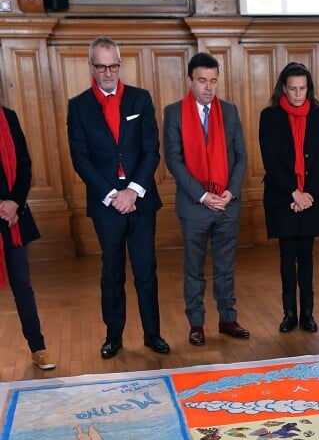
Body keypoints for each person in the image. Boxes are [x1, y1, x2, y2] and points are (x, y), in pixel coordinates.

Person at [67, 36, 170, 359]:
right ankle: (113, 336)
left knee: (145, 270)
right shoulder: (79, 106)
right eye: (102, 66)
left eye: (113, 66)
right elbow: (80, 158)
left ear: (119, 65)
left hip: (140, 200)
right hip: (106, 205)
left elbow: (151, 149)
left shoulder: (140, 99)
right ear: (91, 67)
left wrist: (133, 191)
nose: (108, 72)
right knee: (112, 272)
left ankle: (152, 334)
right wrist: (113, 195)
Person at [163, 52, 249, 346]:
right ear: (190, 81)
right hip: (194, 206)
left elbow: (241, 157)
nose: (208, 87)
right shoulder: (174, 113)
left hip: (226, 203)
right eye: (202, 81)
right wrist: (202, 195)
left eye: (213, 81)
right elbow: (173, 161)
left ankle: (227, 318)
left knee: (226, 267)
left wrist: (230, 192)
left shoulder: (230, 111)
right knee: (194, 268)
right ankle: (196, 323)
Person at [259, 62, 319, 333]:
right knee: (287, 257)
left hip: (311, 197)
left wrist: (307, 195)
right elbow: (271, 161)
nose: (298, 94)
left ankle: (308, 314)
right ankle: (289, 313)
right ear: (283, 89)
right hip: (283, 197)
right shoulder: (270, 117)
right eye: (292, 89)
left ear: (308, 89)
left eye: (302, 88)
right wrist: (294, 192)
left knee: (307, 257)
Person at [0, 104, 56, 370]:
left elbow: (24, 164)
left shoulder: (8, 116)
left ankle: (38, 347)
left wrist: (14, 202)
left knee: (22, 285)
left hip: (12, 218)